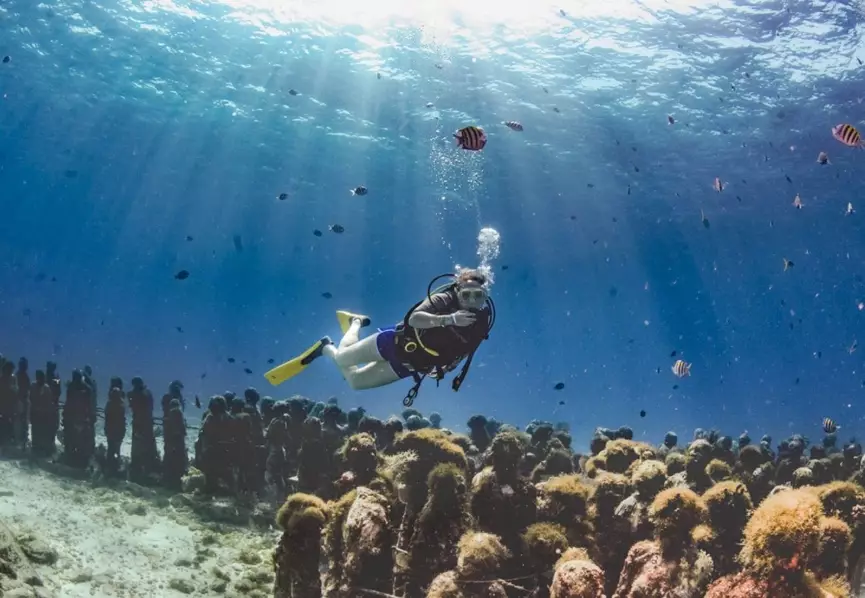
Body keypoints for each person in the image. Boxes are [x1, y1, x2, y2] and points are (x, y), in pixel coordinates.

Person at [265, 268, 495, 406]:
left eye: (479, 296)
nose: (473, 301)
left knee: (355, 382)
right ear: (457, 291)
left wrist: (445, 370)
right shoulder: (444, 301)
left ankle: (326, 348)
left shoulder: (482, 321)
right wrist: (450, 319)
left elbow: (465, 351)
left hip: (411, 365)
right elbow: (414, 319)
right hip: (394, 343)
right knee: (344, 359)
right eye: (467, 294)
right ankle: (355, 323)